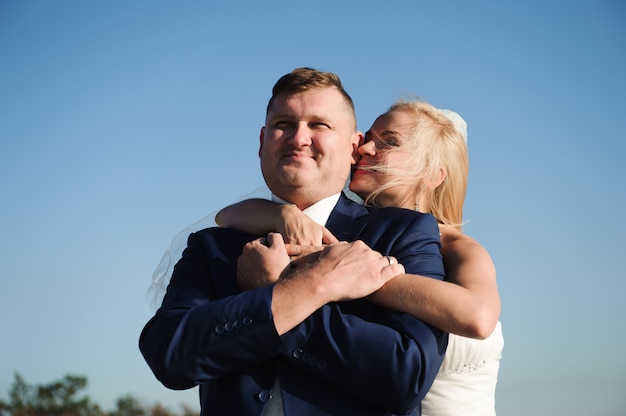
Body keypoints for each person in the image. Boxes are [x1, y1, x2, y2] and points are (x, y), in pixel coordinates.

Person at [139, 67, 448, 416]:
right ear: (261, 142)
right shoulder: (212, 246)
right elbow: (168, 356)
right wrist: (298, 293)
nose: (299, 138)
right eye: (283, 124)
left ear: (352, 147)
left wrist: (276, 289)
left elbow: (406, 375)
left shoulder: (401, 233)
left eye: (319, 125)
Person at [215, 99, 503, 415]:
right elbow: (226, 216)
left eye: (389, 142)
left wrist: (342, 269)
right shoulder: (346, 229)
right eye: (367, 139)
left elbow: (478, 317)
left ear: (433, 174)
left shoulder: (458, 248)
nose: (364, 149)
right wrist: (280, 213)